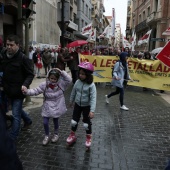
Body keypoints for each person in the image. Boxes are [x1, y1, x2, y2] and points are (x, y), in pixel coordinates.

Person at [22, 68, 72, 145]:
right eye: (51, 78)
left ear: (58, 79)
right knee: (45, 122)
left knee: (55, 120)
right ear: (48, 77)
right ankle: (47, 135)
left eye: (55, 79)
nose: (53, 80)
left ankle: (56, 134)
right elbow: (36, 91)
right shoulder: (44, 85)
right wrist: (27, 91)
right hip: (47, 105)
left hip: (57, 105)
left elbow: (69, 80)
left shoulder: (61, 84)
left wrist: (61, 72)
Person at [0, 34, 34, 140]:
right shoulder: (4, 55)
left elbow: (30, 74)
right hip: (7, 90)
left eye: (11, 45)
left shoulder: (23, 58)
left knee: (15, 114)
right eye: (7, 45)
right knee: (17, 110)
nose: (9, 47)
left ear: (18, 45)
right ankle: (28, 121)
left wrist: (25, 85)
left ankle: (13, 136)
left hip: (19, 92)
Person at [66, 62, 97, 148]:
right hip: (77, 105)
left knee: (86, 123)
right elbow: (73, 92)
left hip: (87, 106)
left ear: (87, 74)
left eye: (83, 74)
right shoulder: (77, 82)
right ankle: (72, 135)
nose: (80, 75)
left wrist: (92, 111)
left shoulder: (91, 85)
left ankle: (88, 137)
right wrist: (71, 101)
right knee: (74, 121)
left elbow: (93, 98)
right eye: (80, 73)